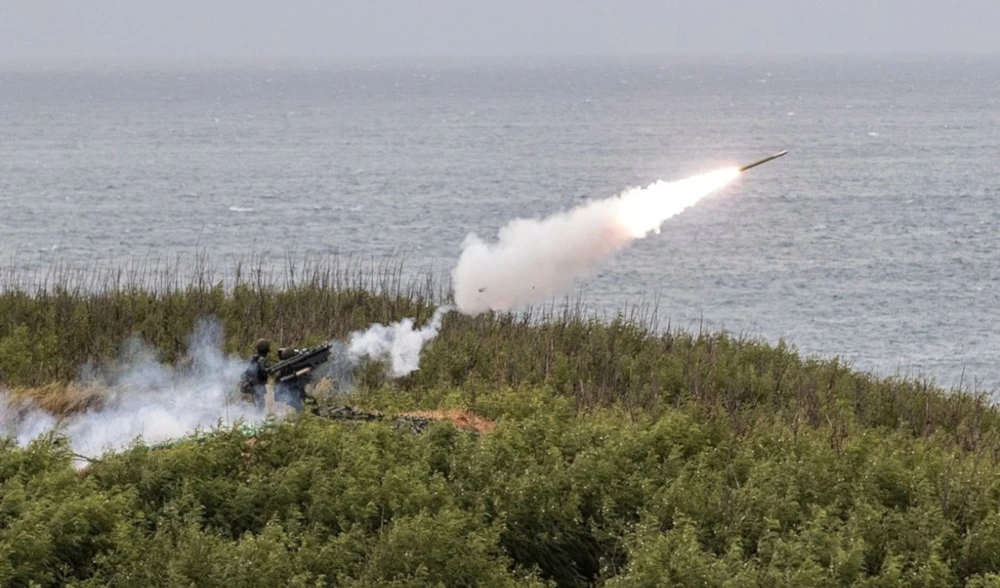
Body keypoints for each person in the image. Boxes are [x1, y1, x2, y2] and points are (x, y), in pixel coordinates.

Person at [239, 338, 271, 409]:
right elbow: (268, 370)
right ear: (265, 349)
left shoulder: (254, 358)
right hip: (256, 386)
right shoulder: (262, 360)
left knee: (249, 407)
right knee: (260, 406)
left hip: (249, 386)